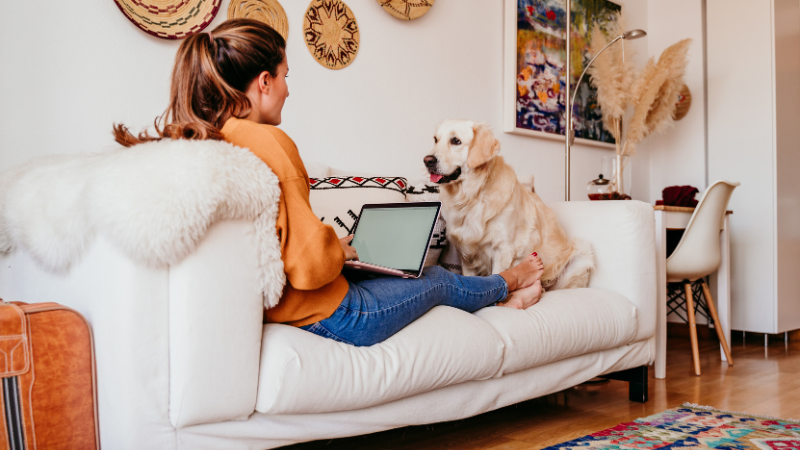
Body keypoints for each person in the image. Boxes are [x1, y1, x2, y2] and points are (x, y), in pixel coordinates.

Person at [113, 19, 545, 347]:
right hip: (334, 313)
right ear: (264, 83)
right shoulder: (269, 141)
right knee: (436, 278)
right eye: (285, 76)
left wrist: (334, 245)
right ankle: (512, 280)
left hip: (287, 308)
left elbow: (282, 240)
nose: (287, 90)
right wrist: (336, 248)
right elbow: (309, 266)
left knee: (403, 271)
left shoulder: (213, 136)